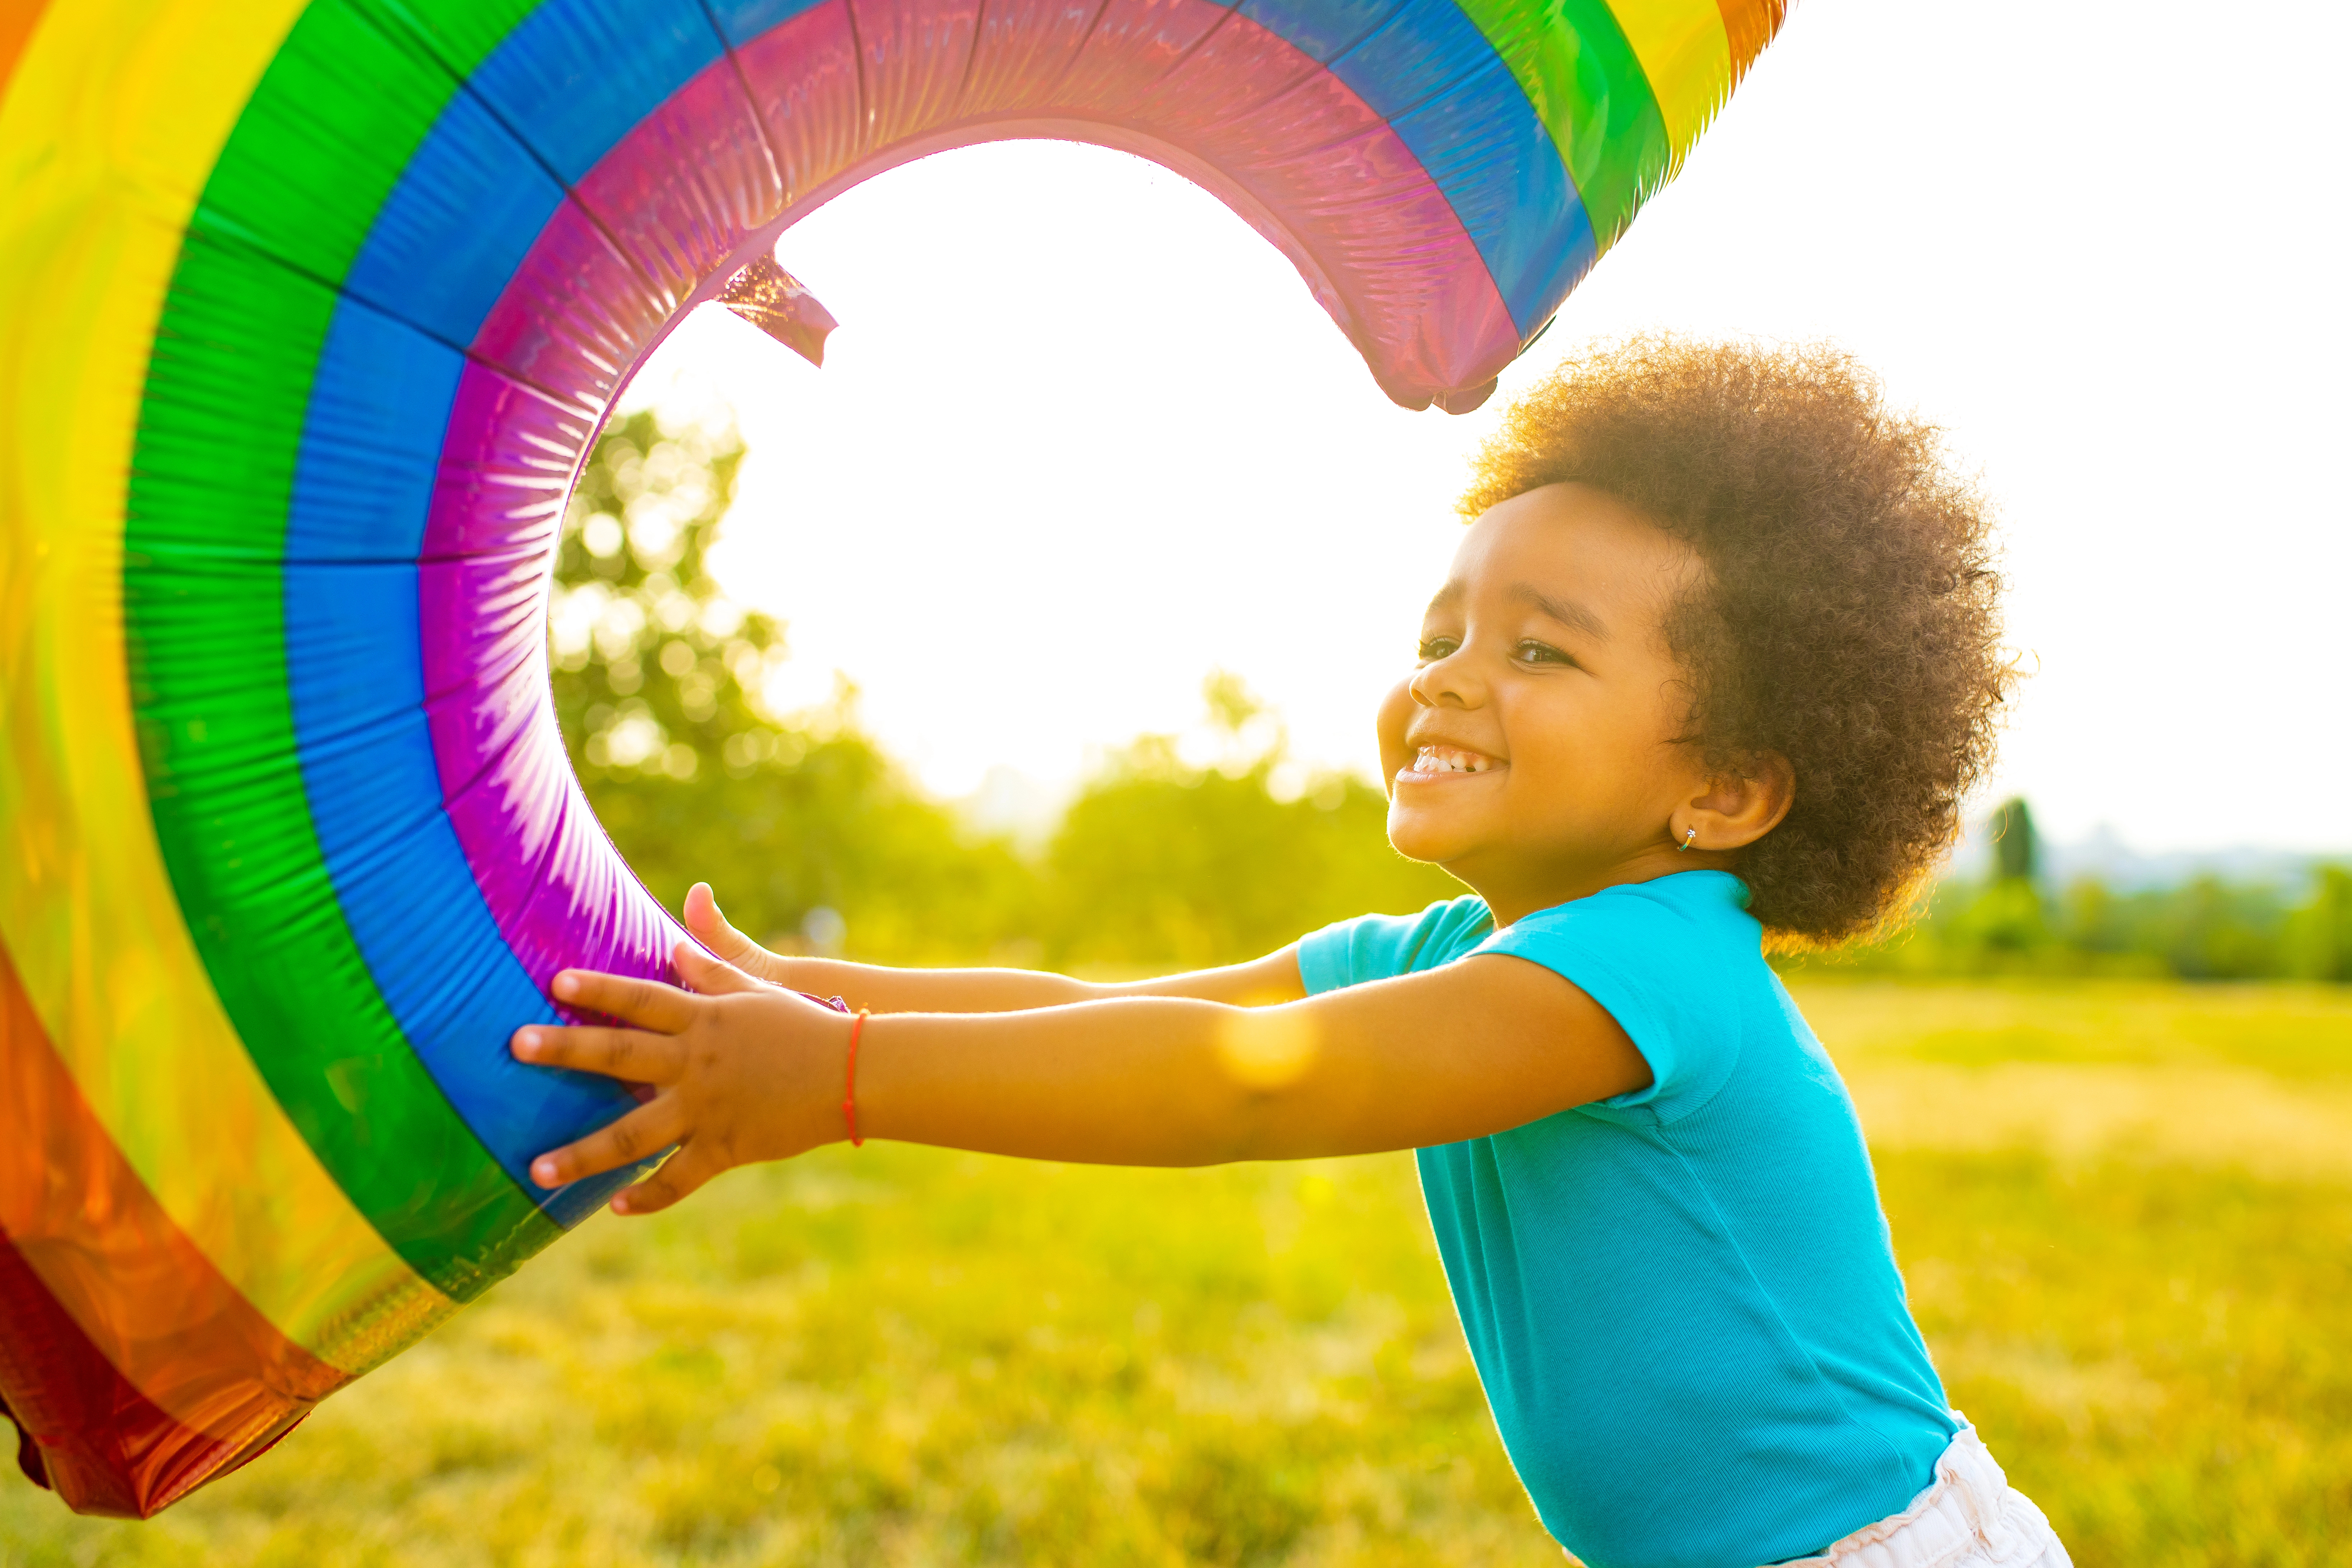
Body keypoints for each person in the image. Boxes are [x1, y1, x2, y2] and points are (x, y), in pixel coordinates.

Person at [511, 338, 2066, 1568]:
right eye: (1441, 636)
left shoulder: (1657, 968)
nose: (1450, 681)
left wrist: (834, 1080)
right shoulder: (1458, 946)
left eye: (1540, 650)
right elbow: (1113, 1009)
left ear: (1722, 789)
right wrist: (784, 993)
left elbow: (1245, 1089)